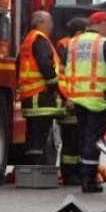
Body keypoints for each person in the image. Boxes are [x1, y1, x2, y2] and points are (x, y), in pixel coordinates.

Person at [62, 11, 106, 193]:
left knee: (84, 138)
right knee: (93, 139)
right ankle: (89, 179)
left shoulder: (72, 43)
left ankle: (85, 175)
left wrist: (68, 96)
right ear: (99, 24)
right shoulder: (103, 43)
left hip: (77, 99)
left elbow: (63, 71)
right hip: (98, 99)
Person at [17, 11, 65, 166]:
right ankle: (37, 168)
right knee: (39, 134)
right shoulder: (39, 40)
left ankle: (33, 169)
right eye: (49, 22)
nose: (52, 26)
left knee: (34, 134)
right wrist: (53, 86)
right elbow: (45, 64)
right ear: (40, 23)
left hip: (31, 95)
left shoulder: (29, 40)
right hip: (40, 96)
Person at [55, 17, 88, 185]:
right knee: (71, 141)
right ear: (78, 33)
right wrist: (67, 98)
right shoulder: (66, 46)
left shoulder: (75, 46)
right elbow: (63, 76)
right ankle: (69, 174)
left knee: (77, 140)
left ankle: (76, 173)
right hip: (70, 101)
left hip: (79, 100)